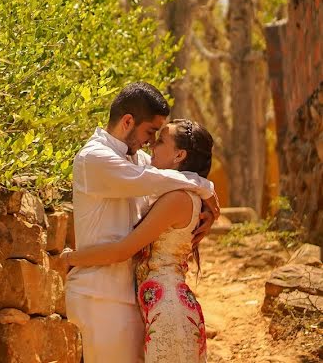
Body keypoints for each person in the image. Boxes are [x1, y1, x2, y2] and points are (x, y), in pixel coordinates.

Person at [63, 82, 219, 363]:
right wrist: (206, 187)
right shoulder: (96, 158)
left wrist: (205, 201)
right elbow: (159, 179)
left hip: (133, 299)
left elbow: (170, 174)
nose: (151, 142)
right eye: (150, 132)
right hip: (101, 294)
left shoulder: (138, 159)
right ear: (127, 121)